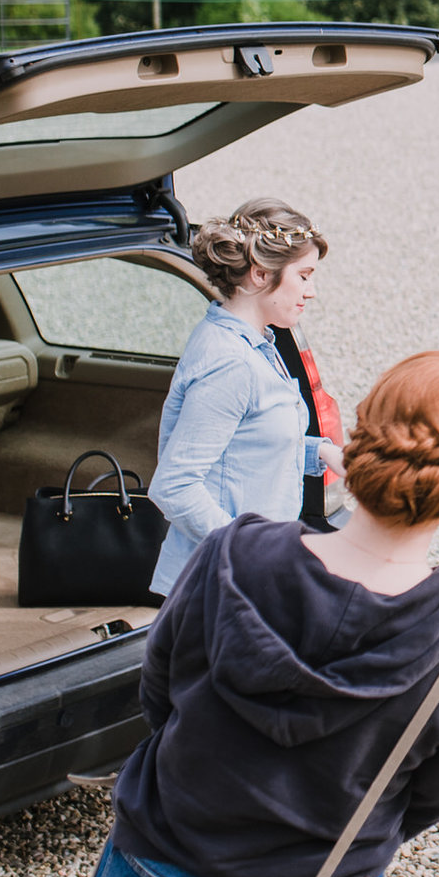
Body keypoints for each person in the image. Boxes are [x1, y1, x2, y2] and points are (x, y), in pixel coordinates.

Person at [78, 351, 439, 877]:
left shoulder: (233, 553)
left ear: (359, 440)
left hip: (158, 870)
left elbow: (158, 694)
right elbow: (425, 800)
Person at [149, 199, 342, 598]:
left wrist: (322, 453)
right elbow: (174, 486)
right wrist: (251, 553)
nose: (312, 291)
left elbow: (247, 445)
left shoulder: (258, 345)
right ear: (258, 275)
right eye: (304, 276)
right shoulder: (231, 363)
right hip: (219, 588)